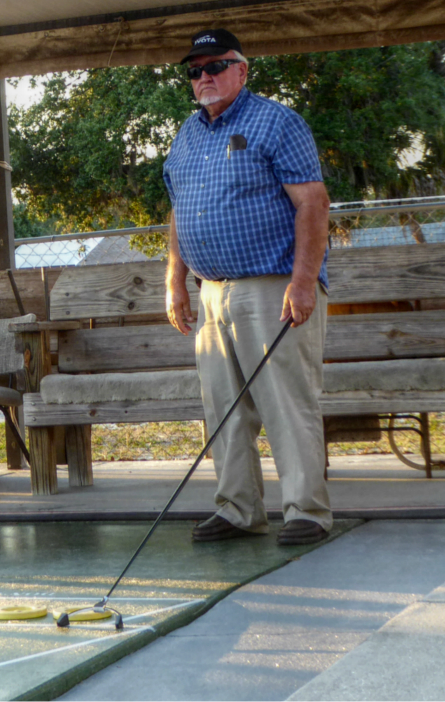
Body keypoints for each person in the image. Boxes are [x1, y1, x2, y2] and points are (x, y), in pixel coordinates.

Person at [163, 28, 333, 547]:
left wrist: (303, 282)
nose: (204, 77)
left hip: (272, 285)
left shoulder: (277, 121)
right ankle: (238, 510)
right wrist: (175, 280)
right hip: (212, 290)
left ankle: (306, 510)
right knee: (223, 407)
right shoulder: (186, 136)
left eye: (215, 65)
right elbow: (177, 212)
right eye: (195, 70)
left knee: (285, 400)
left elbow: (313, 203)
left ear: (241, 69)